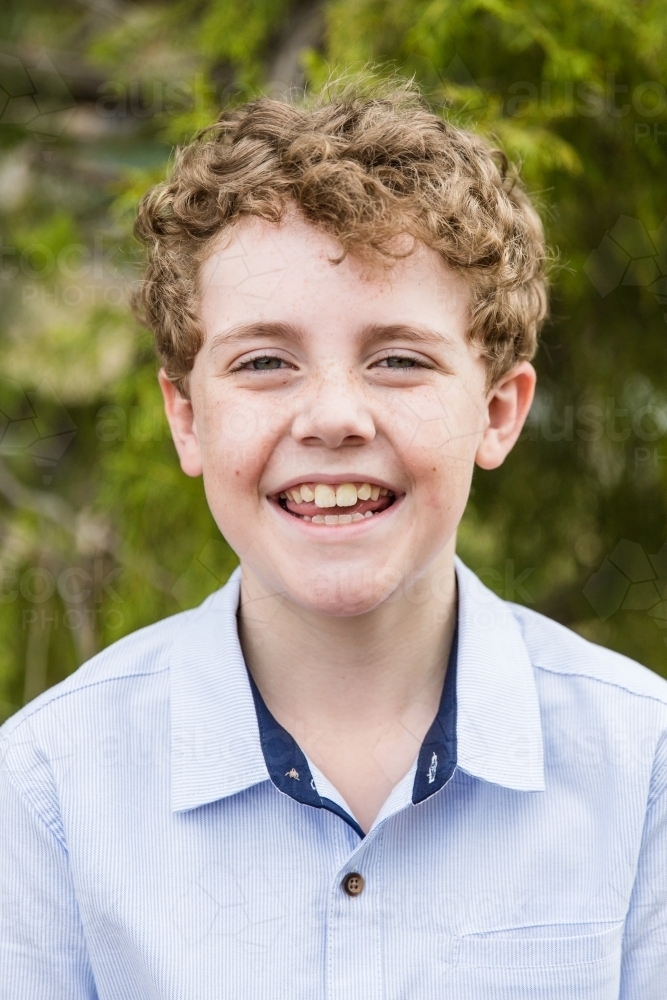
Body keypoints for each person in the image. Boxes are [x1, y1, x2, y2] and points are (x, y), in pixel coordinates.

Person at [1, 82, 666, 1000]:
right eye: (263, 362)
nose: (333, 417)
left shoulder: (646, 769)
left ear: (500, 411)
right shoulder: (45, 791)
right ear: (186, 418)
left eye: (398, 359)